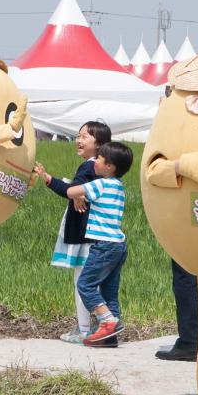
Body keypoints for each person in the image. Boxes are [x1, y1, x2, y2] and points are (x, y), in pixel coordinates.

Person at [33, 120, 112, 345]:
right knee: (95, 282)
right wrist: (76, 192)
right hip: (98, 234)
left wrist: (49, 179)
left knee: (82, 281)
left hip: (83, 235)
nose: (79, 139)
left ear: (99, 144)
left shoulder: (88, 166)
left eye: (85, 136)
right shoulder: (102, 169)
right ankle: (98, 324)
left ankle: (84, 328)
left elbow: (70, 190)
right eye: (78, 135)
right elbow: (80, 189)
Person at [61, 141, 134, 347]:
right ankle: (109, 337)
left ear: (109, 166)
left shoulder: (101, 184)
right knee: (109, 291)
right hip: (119, 246)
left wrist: (49, 180)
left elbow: (69, 192)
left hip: (103, 246)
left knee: (85, 284)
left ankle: (107, 321)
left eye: (99, 159)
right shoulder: (118, 186)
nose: (95, 162)